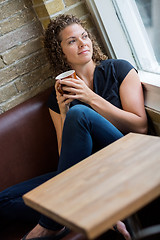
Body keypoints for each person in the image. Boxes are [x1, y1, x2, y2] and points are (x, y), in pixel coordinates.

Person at [0, 14, 148, 240]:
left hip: (126, 159)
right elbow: (66, 159)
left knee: (81, 113)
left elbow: (140, 127)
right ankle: (89, 209)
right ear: (61, 52)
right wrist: (64, 111)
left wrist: (89, 98)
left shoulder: (119, 69)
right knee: (4, 201)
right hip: (87, 174)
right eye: (72, 41)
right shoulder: (58, 96)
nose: (82, 43)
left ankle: (50, 224)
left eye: (84, 36)